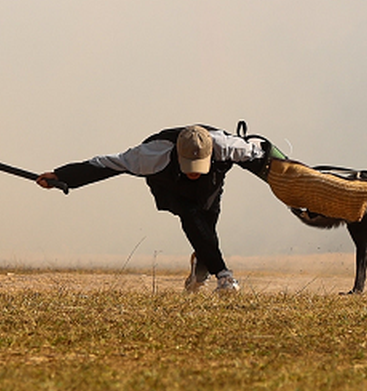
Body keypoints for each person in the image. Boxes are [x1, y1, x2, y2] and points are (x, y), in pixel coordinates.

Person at [36, 124, 271, 293]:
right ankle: (224, 277)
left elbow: (272, 161)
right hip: (169, 186)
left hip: (208, 189)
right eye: (189, 165)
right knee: (190, 215)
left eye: (198, 166)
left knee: (207, 225)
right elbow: (104, 165)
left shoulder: (228, 146)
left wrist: (306, 181)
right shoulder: (148, 156)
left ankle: (200, 271)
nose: (193, 171)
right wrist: (61, 175)